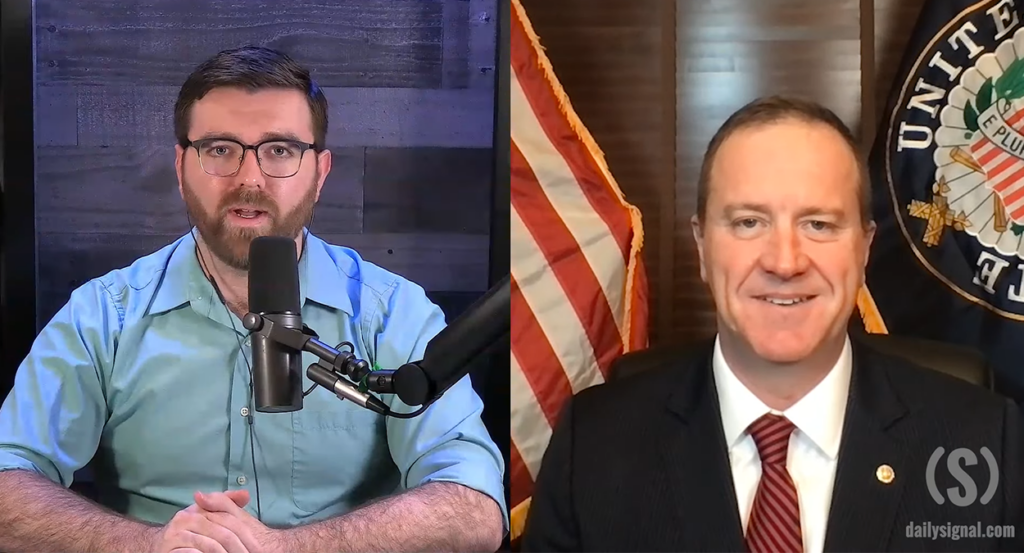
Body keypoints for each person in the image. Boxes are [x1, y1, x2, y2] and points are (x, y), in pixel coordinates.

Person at [0, 46, 506, 553]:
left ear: (320, 172)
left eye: (280, 150)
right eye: (220, 149)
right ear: (181, 167)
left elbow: (474, 507)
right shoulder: (101, 317)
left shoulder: (394, 313)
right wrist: (144, 546)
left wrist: (288, 549)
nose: (249, 178)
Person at [520, 96, 1023, 552]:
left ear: (865, 247)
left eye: (819, 224)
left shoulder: (979, 439)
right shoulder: (594, 444)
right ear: (701, 247)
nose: (784, 262)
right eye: (748, 223)